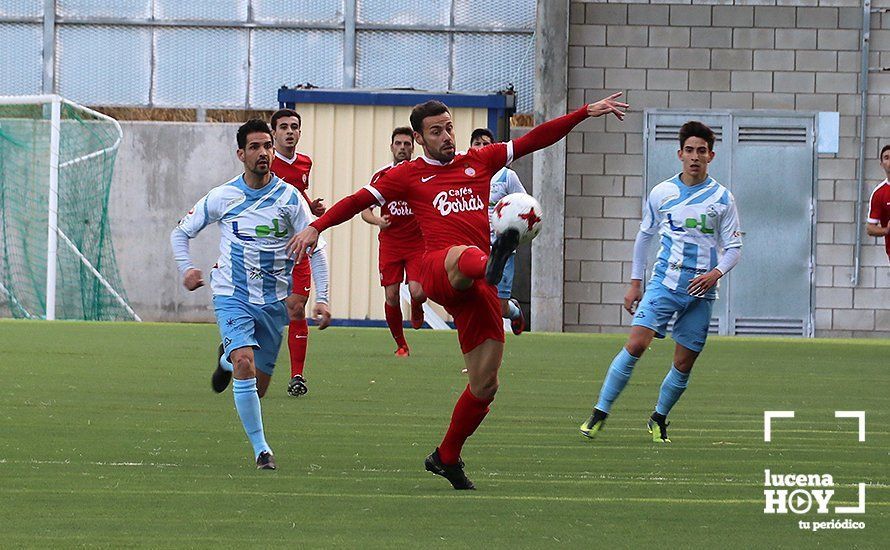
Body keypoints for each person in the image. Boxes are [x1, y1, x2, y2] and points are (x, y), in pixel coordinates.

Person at [287, 93, 628, 489]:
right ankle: (493, 261)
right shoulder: (406, 175)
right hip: (438, 267)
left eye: (450, 127)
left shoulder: (478, 161)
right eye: (437, 131)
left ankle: (447, 456)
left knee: (486, 385)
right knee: (466, 254)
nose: (448, 136)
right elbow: (357, 200)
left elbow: (536, 139)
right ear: (418, 137)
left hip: (475, 286)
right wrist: (317, 226)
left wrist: (584, 113)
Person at [579, 121, 742, 443]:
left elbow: (734, 247)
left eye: (702, 151)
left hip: (701, 293)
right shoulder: (662, 192)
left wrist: (715, 274)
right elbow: (645, 237)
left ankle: (658, 418)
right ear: (680, 154)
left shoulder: (723, 198)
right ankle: (599, 413)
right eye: (690, 150)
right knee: (636, 344)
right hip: (664, 283)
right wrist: (635, 282)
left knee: (683, 362)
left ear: (712, 155)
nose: (695, 157)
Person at [170, 119, 315, 469]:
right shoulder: (223, 195)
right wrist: (186, 268)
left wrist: (319, 295)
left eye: (267, 145)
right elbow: (180, 233)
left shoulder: (290, 198)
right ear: (241, 154)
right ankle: (261, 450)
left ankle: (225, 360)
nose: (264, 152)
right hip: (231, 292)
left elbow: (317, 244)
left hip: (272, 299)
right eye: (255, 147)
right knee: (245, 364)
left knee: (257, 385)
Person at [270, 108, 332, 398]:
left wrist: (311, 207)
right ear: (274, 133)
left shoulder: (305, 163)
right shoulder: (265, 163)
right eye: (284, 127)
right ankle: (235, 346)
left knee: (296, 307)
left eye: (295, 127)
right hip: (267, 247)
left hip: (295, 245)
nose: (290, 132)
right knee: (263, 311)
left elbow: (298, 196)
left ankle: (297, 375)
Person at [360, 127, 427, 356]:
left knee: (418, 292)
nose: (402, 148)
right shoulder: (381, 176)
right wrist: (379, 221)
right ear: (391, 147)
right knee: (391, 295)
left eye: (406, 144)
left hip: (417, 243)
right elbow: (364, 211)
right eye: (398, 144)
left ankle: (417, 307)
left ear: (413, 147)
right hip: (390, 244)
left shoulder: (421, 173)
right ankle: (401, 344)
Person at [469, 127, 528, 335]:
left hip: (501, 250)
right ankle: (483, 357)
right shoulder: (467, 175)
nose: (482, 147)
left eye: (486, 143)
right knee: (478, 302)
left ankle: (513, 310)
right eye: (477, 143)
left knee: (499, 306)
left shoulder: (507, 176)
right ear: (471, 147)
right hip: (475, 248)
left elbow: (524, 205)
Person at [866, 144, 890, 263]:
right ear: (881, 164)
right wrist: (886, 230)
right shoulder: (879, 193)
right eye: (886, 158)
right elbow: (870, 228)